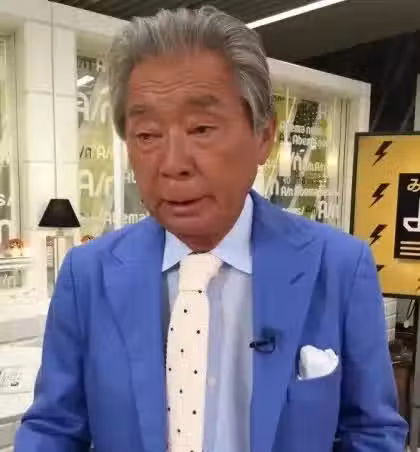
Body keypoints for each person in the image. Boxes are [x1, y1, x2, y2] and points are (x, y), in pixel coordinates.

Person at [15, 6, 407, 452]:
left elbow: (373, 432)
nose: (173, 164)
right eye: (147, 135)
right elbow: (53, 429)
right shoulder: (87, 274)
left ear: (263, 136)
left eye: (201, 128)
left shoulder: (340, 267)